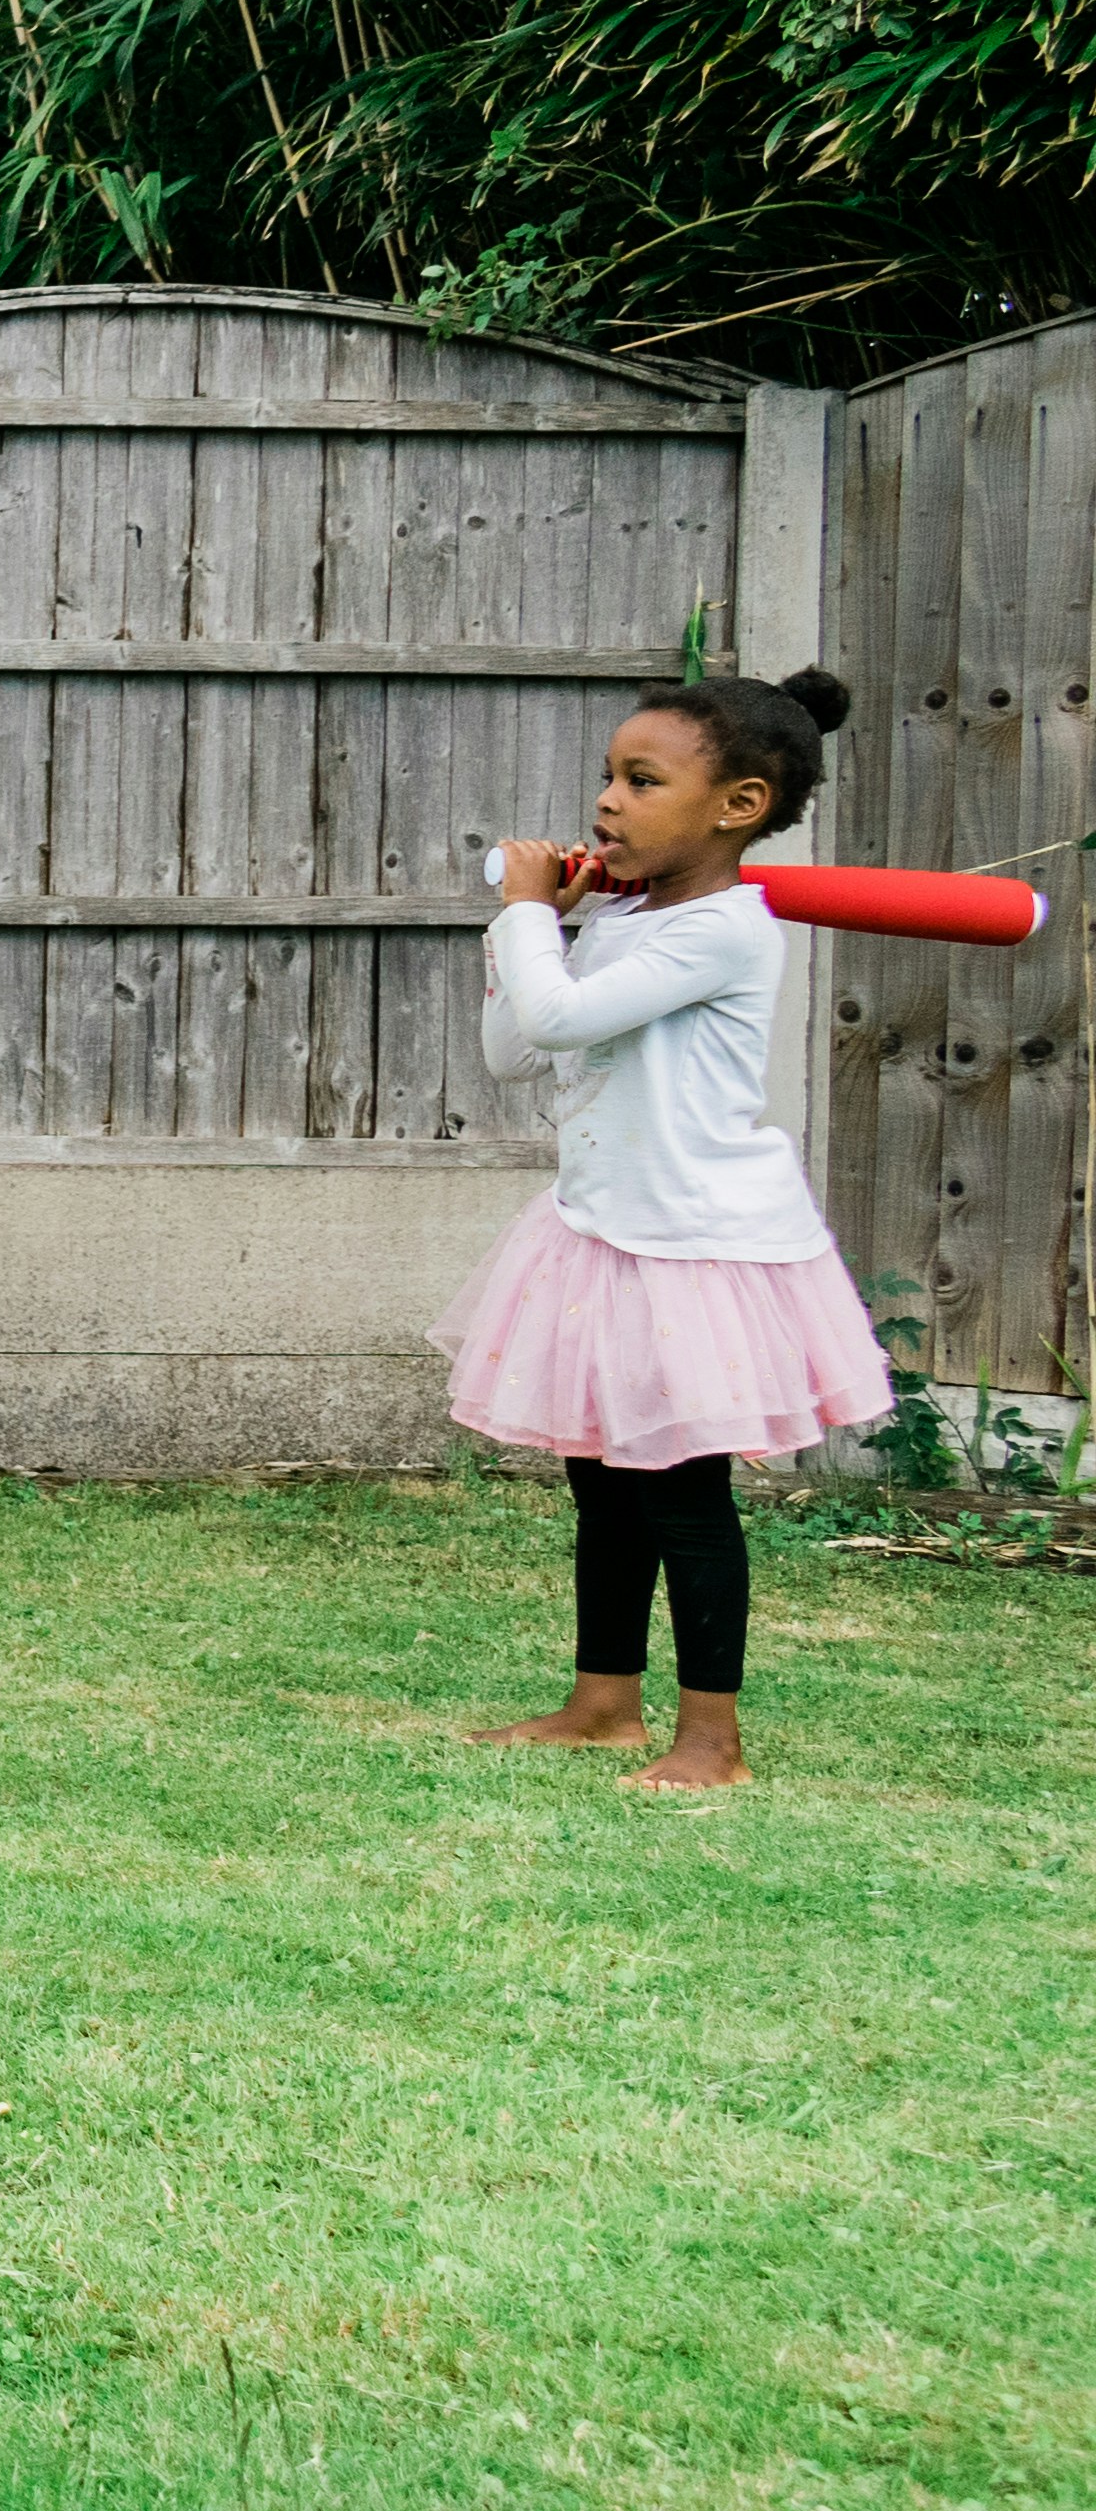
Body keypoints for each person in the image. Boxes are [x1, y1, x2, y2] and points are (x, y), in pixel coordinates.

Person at [436, 667, 886, 1792]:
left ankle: (711, 1740)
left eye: (641, 781)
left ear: (736, 806)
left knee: (685, 1495)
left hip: (699, 1250)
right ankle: (602, 1705)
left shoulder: (727, 932)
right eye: (607, 777)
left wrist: (533, 914)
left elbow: (560, 1011)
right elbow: (519, 1046)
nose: (607, 802)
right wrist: (544, 925)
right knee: (604, 1480)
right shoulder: (628, 920)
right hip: (602, 1235)